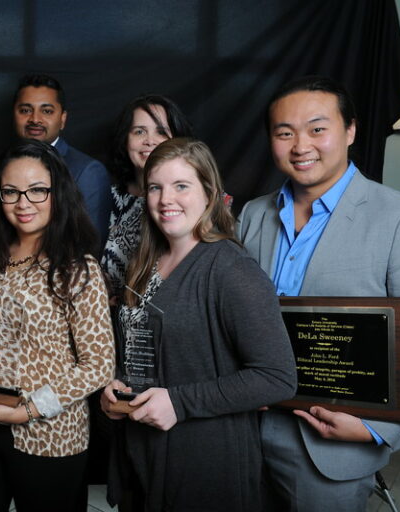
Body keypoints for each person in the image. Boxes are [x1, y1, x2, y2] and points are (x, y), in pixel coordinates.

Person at [236, 75, 400, 511]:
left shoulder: (398, 217)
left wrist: (378, 430)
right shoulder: (252, 215)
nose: (301, 145)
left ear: (350, 130)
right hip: (244, 431)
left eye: (317, 128)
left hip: (333, 446)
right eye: (284, 132)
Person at [101, 138, 297, 511]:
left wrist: (179, 402)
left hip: (204, 462)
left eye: (181, 186)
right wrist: (117, 387)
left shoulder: (231, 269)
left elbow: (277, 376)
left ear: (209, 193)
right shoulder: (144, 263)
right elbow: (149, 348)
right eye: (155, 187)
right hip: (142, 451)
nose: (165, 199)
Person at [0, 139, 115, 511]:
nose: (23, 202)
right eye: (11, 191)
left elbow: (98, 366)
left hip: (50, 437)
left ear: (57, 193)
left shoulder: (77, 268)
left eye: (37, 190)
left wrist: (27, 410)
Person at [101, 94, 193, 301]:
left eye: (161, 131)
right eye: (139, 131)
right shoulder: (103, 199)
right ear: (126, 139)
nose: (149, 140)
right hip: (109, 320)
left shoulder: (195, 200)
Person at [12, 74, 112, 247]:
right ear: (14, 114)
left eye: (47, 111)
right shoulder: (3, 168)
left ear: (62, 119)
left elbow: (91, 246)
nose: (35, 119)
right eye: (26, 110)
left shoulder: (87, 171)